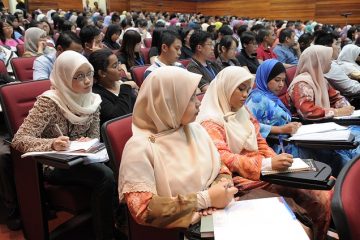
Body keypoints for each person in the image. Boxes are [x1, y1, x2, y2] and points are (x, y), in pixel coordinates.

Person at [196, 66, 332, 240]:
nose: (245, 95)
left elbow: (259, 140)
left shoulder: (242, 111)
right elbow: (225, 158)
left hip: (263, 170)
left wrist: (274, 160)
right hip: (239, 179)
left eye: (247, 89)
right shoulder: (211, 122)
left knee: (326, 187)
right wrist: (266, 164)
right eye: (240, 89)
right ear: (226, 88)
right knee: (315, 199)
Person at [11, 50, 117, 240]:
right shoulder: (49, 101)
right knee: (105, 176)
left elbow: (93, 136)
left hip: (82, 159)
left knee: (119, 163)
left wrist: (88, 141)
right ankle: (106, 235)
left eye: (89, 74)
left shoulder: (92, 100)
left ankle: (116, 221)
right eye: (79, 76)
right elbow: (19, 139)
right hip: (54, 164)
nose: (87, 81)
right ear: (65, 77)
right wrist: (52, 143)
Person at [118, 66, 237, 228]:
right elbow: (143, 209)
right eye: (191, 98)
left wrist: (221, 189)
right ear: (167, 103)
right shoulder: (139, 148)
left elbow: (220, 167)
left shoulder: (195, 129)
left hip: (215, 214)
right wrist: (205, 199)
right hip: (179, 229)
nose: (198, 103)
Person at [286, 45, 360, 171]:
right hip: (311, 130)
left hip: (327, 124)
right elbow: (308, 111)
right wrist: (337, 112)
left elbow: (336, 97)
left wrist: (347, 108)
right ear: (318, 62)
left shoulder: (320, 78)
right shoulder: (302, 83)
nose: (331, 62)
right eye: (328, 60)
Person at [89, 49, 137, 127]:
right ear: (102, 73)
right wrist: (125, 88)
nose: (120, 68)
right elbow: (119, 118)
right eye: (115, 66)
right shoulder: (96, 95)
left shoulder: (123, 81)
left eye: (119, 63)